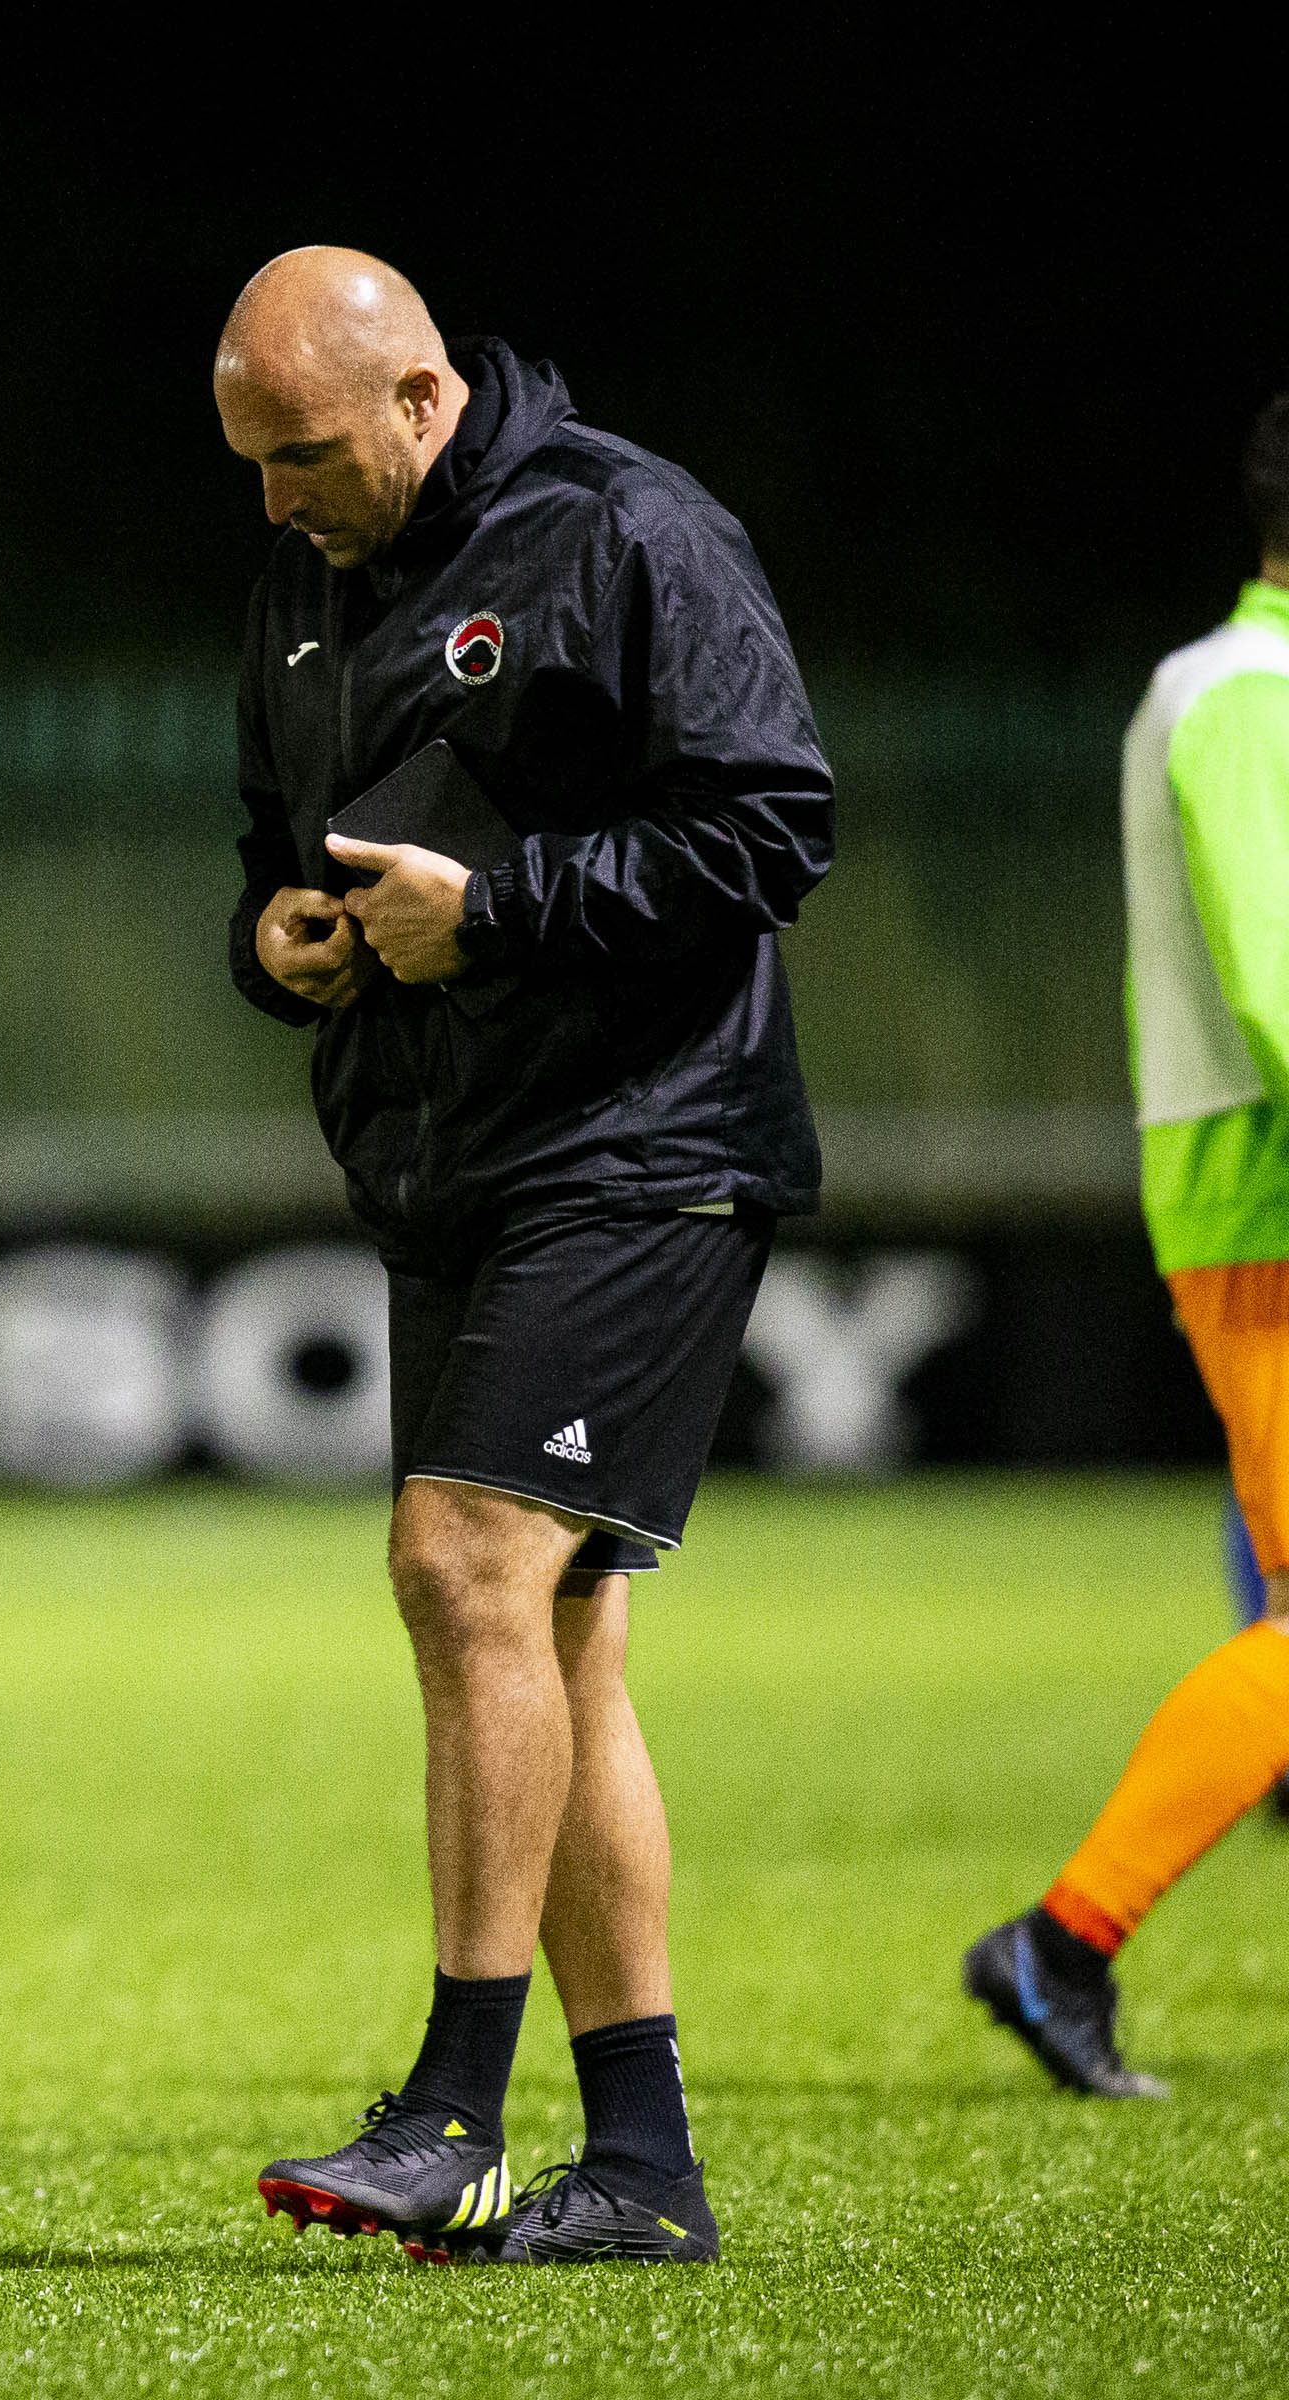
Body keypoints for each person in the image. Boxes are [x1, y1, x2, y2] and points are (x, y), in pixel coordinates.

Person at [215, 248, 834, 2265]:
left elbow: (769, 828)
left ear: (421, 402)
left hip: (643, 1144)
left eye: (305, 454)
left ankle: (450, 2107)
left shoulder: (632, 529)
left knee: (459, 1559)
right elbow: (272, 848)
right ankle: (643, 2172)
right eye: (249, 462)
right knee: (552, 1636)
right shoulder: (307, 573)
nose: (280, 500)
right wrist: (281, 944)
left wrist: (498, 911)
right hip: (452, 1164)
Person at [966, 392, 1289, 2095]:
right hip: (1275, 1204)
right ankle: (1067, 1935)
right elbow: (1279, 970)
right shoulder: (1248, 697)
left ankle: (1066, 1942)